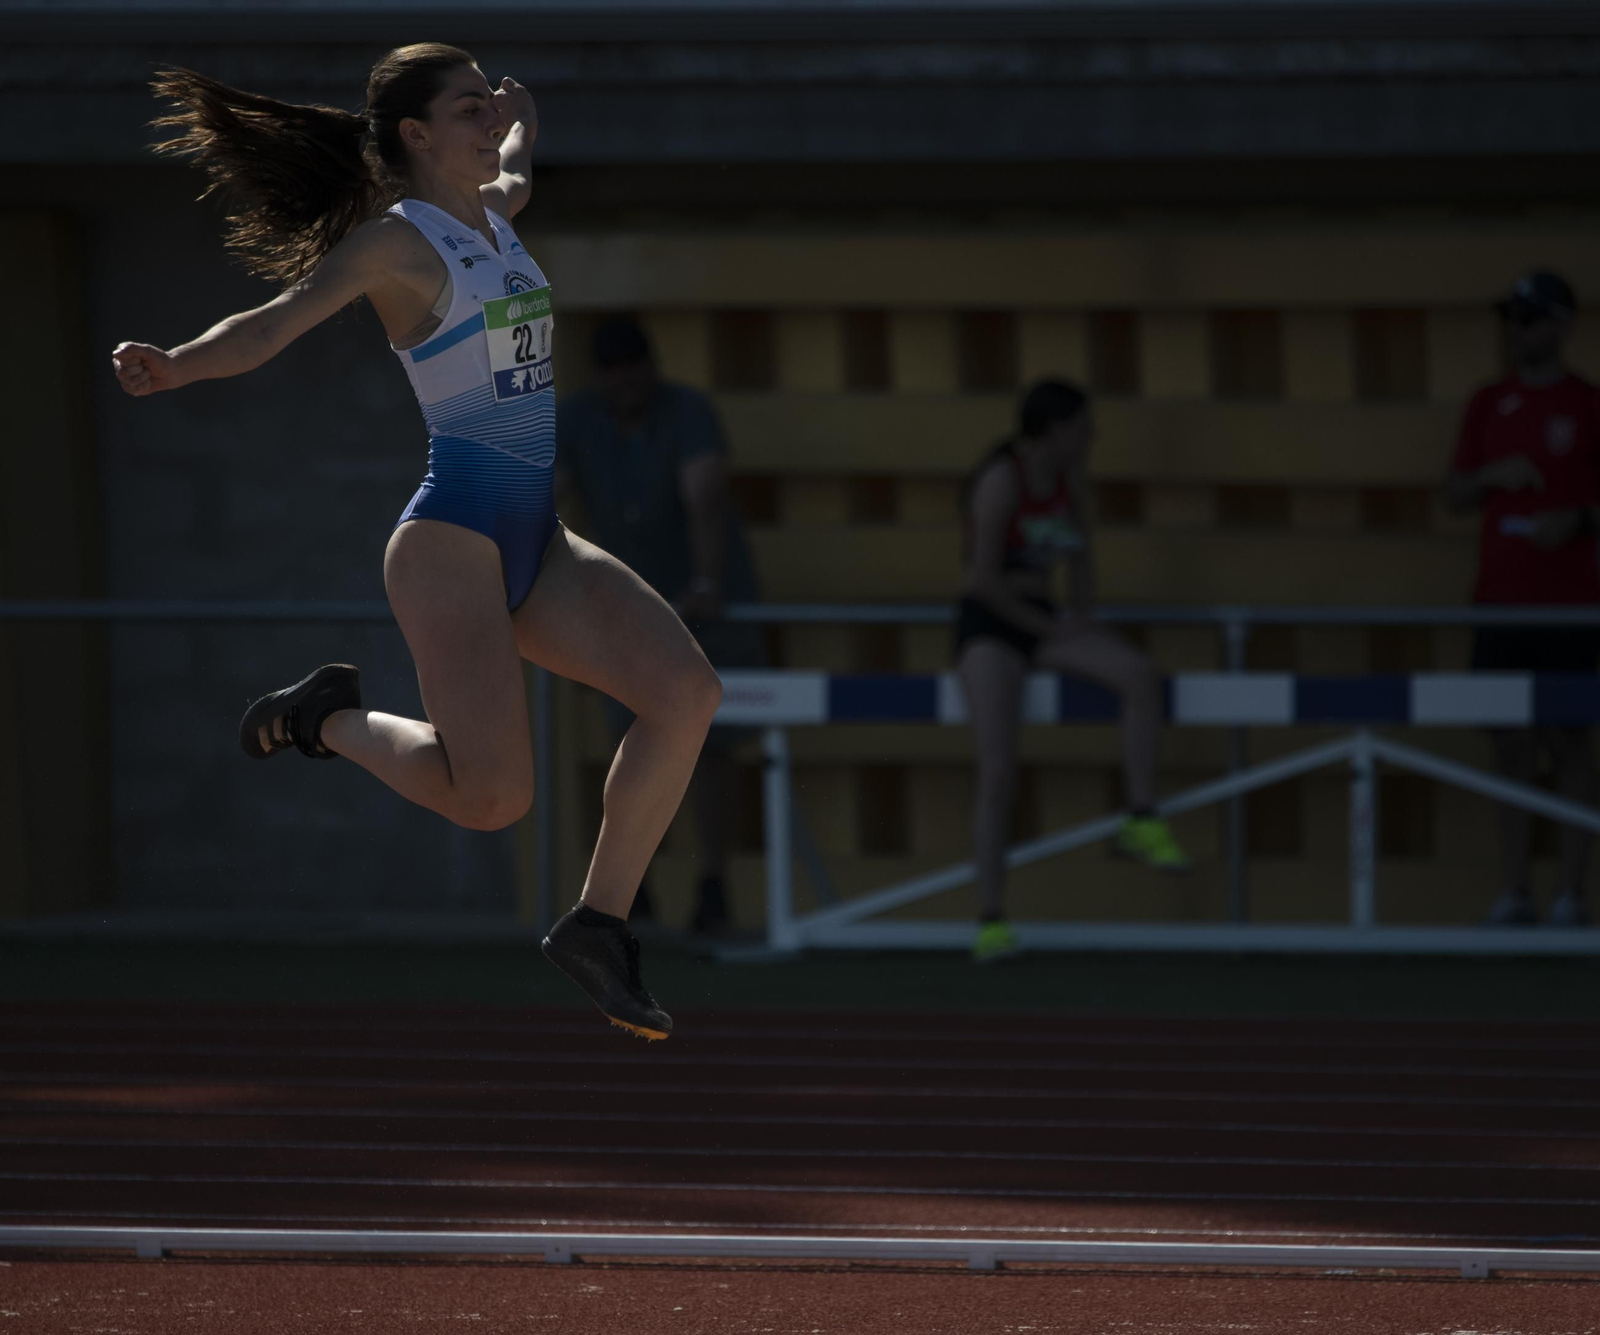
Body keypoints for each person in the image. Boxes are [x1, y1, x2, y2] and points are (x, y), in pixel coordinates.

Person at [109, 45, 722, 1038]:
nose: (488, 127)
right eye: (469, 111)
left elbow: (516, 168)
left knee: (686, 694)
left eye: (488, 110)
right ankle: (325, 720)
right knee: (491, 800)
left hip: (537, 534)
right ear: (417, 135)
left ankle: (597, 925)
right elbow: (271, 326)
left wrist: (520, 120)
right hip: (453, 540)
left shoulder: (495, 216)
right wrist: (176, 364)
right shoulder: (397, 245)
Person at [956, 379, 1188, 964]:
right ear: (1053, 430)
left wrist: (1080, 618)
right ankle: (990, 918)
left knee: (1139, 675)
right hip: (991, 625)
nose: (1093, 437)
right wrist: (1049, 630)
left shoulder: (1069, 484)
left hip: (1043, 617)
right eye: (1084, 427)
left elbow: (1083, 559)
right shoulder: (1001, 481)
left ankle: (1141, 815)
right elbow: (979, 581)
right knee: (999, 770)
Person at [555, 318, 766, 936]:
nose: (623, 382)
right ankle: (630, 889)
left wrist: (704, 583)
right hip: (627, 607)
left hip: (703, 604)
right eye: (612, 370)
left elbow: (704, 495)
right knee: (631, 743)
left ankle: (713, 884)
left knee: (711, 747)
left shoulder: (688, 410)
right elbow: (545, 496)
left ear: (651, 366)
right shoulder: (577, 418)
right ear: (599, 375)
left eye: (633, 367)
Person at [1443, 270, 1600, 928]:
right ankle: (1513, 891)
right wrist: (1489, 476)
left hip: (1572, 606)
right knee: (1508, 746)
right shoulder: (1487, 402)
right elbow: (1452, 494)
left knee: (1571, 743)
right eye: (1512, 319)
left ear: (1562, 326)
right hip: (1501, 604)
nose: (1517, 331)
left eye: (1530, 319)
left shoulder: (1590, 406)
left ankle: (1570, 893)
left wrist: (1579, 520)